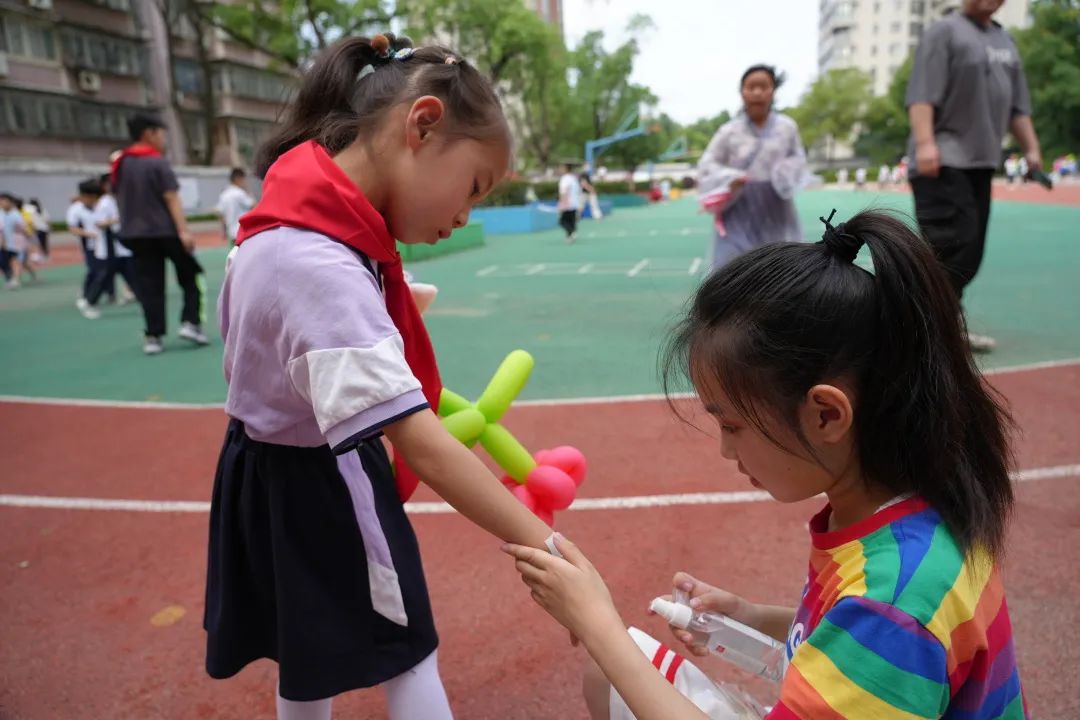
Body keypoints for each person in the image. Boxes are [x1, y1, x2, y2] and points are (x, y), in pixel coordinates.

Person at [504, 210, 1025, 720]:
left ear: (826, 414)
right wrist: (748, 616)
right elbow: (843, 632)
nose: (726, 450)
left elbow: (871, 631)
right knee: (610, 674)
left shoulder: (892, 604)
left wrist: (597, 624)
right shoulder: (905, 516)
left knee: (614, 664)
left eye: (732, 425)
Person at [205, 34, 556, 720]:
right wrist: (550, 548)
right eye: (473, 187)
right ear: (421, 125)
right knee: (406, 648)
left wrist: (374, 315)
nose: (465, 215)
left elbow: (278, 334)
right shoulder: (320, 263)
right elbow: (426, 446)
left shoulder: (287, 218)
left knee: (306, 655)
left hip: (263, 470)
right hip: (325, 478)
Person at [906, 0, 1041, 352]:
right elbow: (922, 95)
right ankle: (920, 331)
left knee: (971, 253)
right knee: (953, 247)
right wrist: (925, 144)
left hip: (981, 162)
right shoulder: (944, 32)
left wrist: (1032, 149)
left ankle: (942, 327)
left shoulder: (1005, 41)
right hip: (943, 158)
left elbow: (1018, 107)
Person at [112, 112, 208, 355]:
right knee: (190, 275)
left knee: (149, 285)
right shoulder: (156, 162)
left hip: (136, 235)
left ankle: (153, 336)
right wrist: (183, 231)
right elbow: (171, 197)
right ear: (149, 133)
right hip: (165, 230)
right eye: (162, 134)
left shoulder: (120, 164)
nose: (164, 139)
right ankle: (191, 322)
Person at [697, 65, 809, 270]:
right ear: (742, 92)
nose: (757, 92)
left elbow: (799, 158)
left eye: (764, 87)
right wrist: (729, 178)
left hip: (776, 208)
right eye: (751, 87)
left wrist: (783, 172)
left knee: (778, 269)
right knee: (731, 270)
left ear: (773, 91)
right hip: (738, 209)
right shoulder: (728, 131)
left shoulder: (787, 127)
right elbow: (707, 165)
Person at [215, 167, 255, 245]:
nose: (245, 182)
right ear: (238, 179)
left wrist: (224, 230)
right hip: (244, 232)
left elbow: (221, 214)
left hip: (232, 234)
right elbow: (254, 206)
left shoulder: (224, 194)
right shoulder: (240, 193)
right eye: (244, 179)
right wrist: (248, 191)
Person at [0, 193, 32, 289]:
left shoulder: (16, 214)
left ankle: (15, 280)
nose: (2, 203)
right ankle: (13, 278)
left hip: (18, 242)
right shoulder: (1, 214)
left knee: (16, 261)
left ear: (10, 202)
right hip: (6, 243)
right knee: (6, 262)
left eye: (4, 201)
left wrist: (28, 237)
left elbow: (24, 229)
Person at [558, 162, 581, 243]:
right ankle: (571, 235)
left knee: (562, 221)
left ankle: (571, 233)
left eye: (561, 168)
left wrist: (562, 203)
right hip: (574, 203)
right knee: (571, 220)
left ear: (565, 169)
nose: (559, 169)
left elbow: (564, 191)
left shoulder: (565, 178)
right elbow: (578, 191)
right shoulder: (574, 178)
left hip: (567, 203)